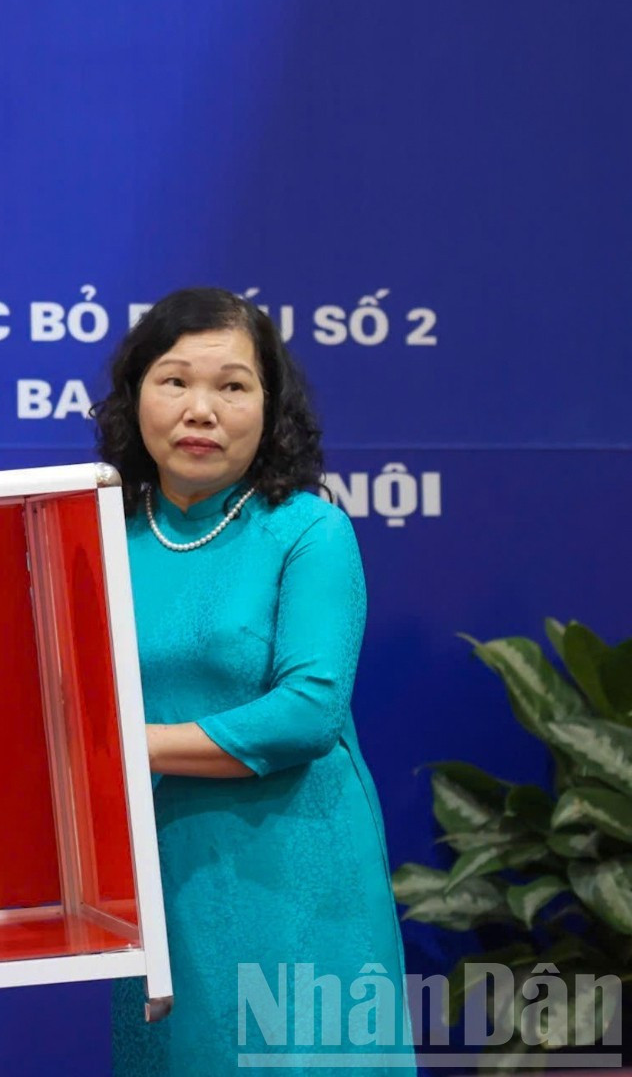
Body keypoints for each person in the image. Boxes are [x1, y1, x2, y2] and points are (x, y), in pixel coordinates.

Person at [92, 288, 412, 1073]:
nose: (201, 409)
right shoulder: (98, 533)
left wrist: (129, 745)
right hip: (159, 889)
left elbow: (308, 712)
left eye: (232, 386)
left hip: (297, 881)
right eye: (175, 381)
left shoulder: (308, 529)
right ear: (135, 396)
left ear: (270, 407)